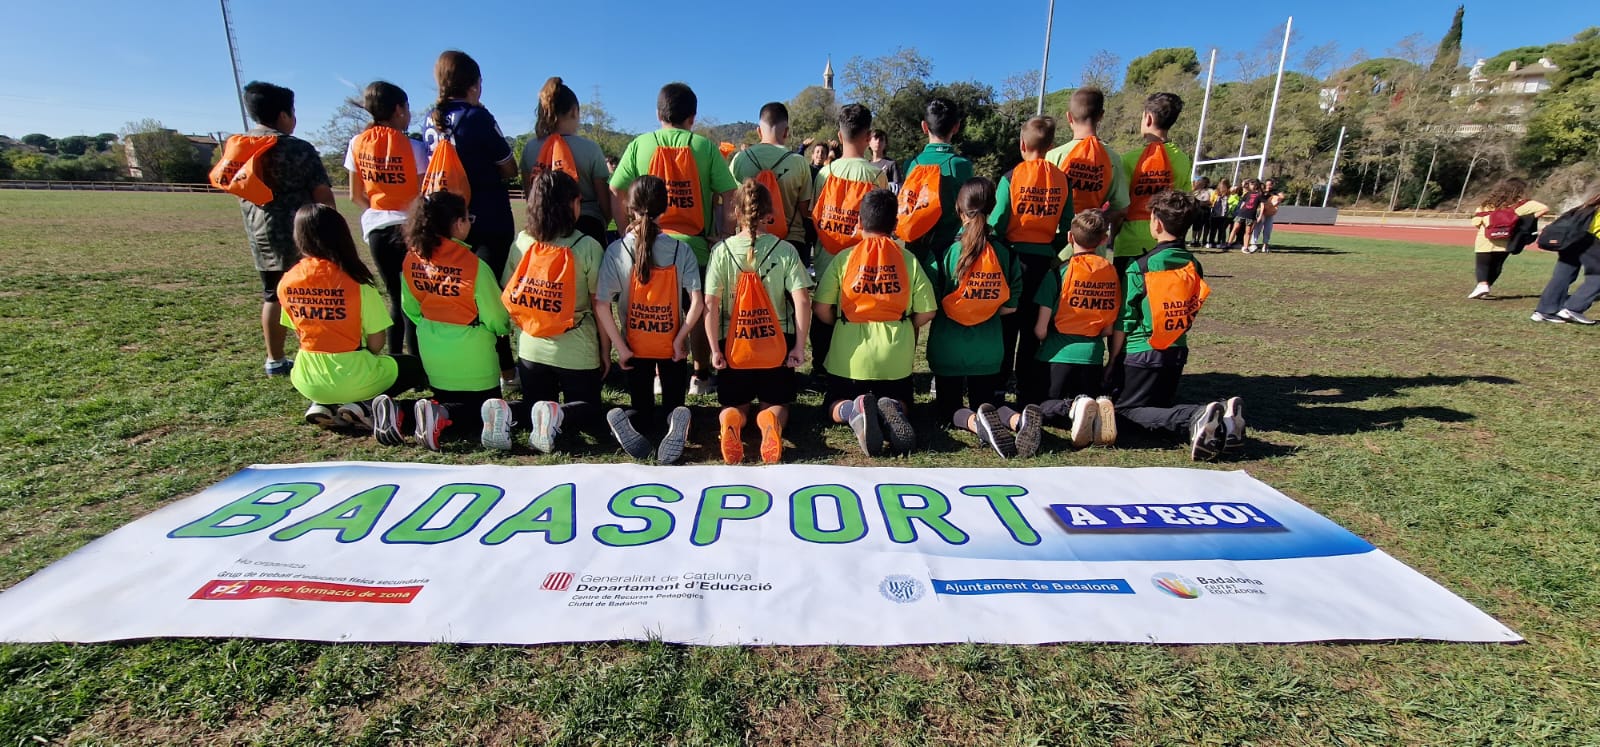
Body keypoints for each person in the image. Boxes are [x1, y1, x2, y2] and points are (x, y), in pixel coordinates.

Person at [609, 82, 739, 396]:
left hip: (646, 245)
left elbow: (616, 189)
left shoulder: (640, 144)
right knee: (698, 310)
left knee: (654, 311)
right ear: (692, 117)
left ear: (658, 114)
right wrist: (723, 233)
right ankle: (700, 375)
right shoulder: (705, 147)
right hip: (695, 246)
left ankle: (656, 373)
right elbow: (730, 193)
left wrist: (626, 228)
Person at [367, 191, 521, 451]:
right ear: (458, 224)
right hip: (474, 359)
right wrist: (502, 330)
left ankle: (401, 411)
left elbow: (410, 309)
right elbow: (497, 318)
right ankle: (440, 415)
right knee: (484, 413)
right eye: (468, 218)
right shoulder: (475, 266)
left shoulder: (412, 259)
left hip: (433, 353)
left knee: (443, 399)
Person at [1107, 190, 1245, 461]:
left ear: (1157, 223)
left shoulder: (1141, 266)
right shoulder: (1193, 264)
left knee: (1123, 414)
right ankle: (1225, 421)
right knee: (1157, 407)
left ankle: (1195, 415)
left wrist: (1112, 360)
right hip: (1176, 352)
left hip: (1142, 353)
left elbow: (1125, 319)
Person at [220, 81, 335, 377]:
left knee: (272, 294)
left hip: (261, 234)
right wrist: (332, 229)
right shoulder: (297, 148)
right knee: (312, 295)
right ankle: (317, 354)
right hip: (303, 234)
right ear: (284, 114)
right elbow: (322, 192)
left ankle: (275, 359)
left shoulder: (239, 148)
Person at [277, 204, 425, 431]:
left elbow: (298, 331)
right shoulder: (357, 282)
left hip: (308, 378)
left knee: (340, 380)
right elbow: (376, 342)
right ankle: (362, 405)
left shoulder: (287, 280)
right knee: (413, 367)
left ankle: (322, 403)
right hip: (355, 376)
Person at [422, 50, 520, 390]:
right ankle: (506, 370)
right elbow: (509, 167)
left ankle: (458, 362)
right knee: (489, 296)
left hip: (445, 221)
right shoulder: (477, 117)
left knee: (454, 295)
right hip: (487, 219)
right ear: (474, 84)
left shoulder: (430, 120)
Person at [813, 189, 937, 457]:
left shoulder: (844, 258)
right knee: (904, 401)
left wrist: (838, 325)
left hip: (849, 358)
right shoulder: (908, 260)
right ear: (895, 224)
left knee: (832, 403)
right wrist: (907, 325)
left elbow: (821, 307)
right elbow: (928, 311)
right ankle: (892, 406)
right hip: (894, 358)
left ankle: (852, 409)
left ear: (859, 221)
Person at [594, 176, 704, 463]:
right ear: (665, 209)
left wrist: (621, 348)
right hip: (672, 348)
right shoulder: (681, 250)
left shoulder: (617, 250)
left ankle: (629, 419)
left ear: (630, 208)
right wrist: (681, 339)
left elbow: (602, 304)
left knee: (642, 410)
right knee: (674, 406)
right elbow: (698, 303)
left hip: (635, 348)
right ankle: (675, 420)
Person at [704, 180, 814, 464]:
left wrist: (714, 350)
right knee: (777, 403)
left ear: (736, 212)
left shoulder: (722, 251)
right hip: (776, 343)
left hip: (734, 343)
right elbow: (802, 301)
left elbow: (711, 304)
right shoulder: (785, 250)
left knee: (735, 403)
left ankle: (732, 419)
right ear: (768, 213)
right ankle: (769, 422)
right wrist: (799, 347)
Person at [504, 171, 608, 454]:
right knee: (588, 412)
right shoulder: (587, 246)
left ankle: (506, 411)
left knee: (534, 407)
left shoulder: (522, 242)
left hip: (530, 350)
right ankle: (558, 414)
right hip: (576, 349)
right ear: (571, 204)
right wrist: (605, 350)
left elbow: (509, 292)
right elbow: (600, 305)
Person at [929, 178, 1024, 457]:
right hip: (989, 349)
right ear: (992, 208)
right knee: (989, 404)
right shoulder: (1005, 252)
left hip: (948, 347)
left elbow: (931, 301)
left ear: (959, 209)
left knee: (948, 409)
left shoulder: (945, 250)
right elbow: (1010, 307)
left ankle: (974, 423)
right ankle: (1018, 420)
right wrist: (984, 307)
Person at [990, 116, 1073, 405]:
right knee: (1033, 331)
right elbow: (1068, 226)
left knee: (1006, 327)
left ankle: (998, 387)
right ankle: (1027, 389)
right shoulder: (1062, 179)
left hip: (1013, 261)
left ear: (1022, 145)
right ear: (1051, 146)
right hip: (1043, 264)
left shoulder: (1011, 177)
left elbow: (998, 222)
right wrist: (1052, 251)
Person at [344, 81, 428, 358]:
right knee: (413, 299)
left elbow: (355, 195)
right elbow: (421, 194)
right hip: (410, 229)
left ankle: (395, 359)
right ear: (398, 109)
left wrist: (379, 209)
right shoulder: (414, 147)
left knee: (394, 297)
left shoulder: (357, 143)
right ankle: (415, 360)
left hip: (377, 229)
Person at [811, 104, 889, 387]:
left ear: (839, 135)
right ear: (868, 137)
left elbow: (815, 214)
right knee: (853, 318)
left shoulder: (825, 173)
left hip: (825, 258)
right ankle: (852, 368)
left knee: (823, 315)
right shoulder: (876, 175)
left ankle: (820, 368)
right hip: (859, 264)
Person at [1033, 209, 1120, 450]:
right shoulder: (1111, 273)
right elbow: (1108, 329)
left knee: (1038, 407)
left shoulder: (1058, 273)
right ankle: (1094, 408)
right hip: (1092, 358)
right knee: (1084, 400)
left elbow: (1040, 329)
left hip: (1057, 357)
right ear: (1103, 240)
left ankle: (1073, 407)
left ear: (1070, 237)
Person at [519, 77, 613, 246]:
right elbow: (605, 202)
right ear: (574, 111)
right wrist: (603, 222)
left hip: (544, 228)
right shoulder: (590, 149)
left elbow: (530, 196)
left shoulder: (530, 149)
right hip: (587, 226)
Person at [1111, 93, 1192, 273]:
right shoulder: (1182, 160)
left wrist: (1113, 236)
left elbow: (1121, 209)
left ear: (1148, 118)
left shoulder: (1129, 160)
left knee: (1128, 289)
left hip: (1130, 243)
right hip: (1167, 242)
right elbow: (1186, 205)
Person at [729, 102, 814, 266]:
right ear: (786, 132)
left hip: (749, 242)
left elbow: (731, 203)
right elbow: (805, 210)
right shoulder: (799, 162)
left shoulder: (740, 159)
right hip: (790, 243)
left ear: (759, 131)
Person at [900, 97, 974, 268]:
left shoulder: (911, 164)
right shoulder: (962, 166)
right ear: (956, 127)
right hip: (951, 252)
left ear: (924, 126)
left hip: (916, 252)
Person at [1046, 87, 1127, 244]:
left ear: (1069, 117)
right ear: (1101, 116)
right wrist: (1098, 218)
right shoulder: (1113, 158)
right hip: (1094, 243)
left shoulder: (1053, 156)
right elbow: (1121, 208)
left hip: (1058, 242)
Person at [1469, 178, 1549, 299]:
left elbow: (1476, 222)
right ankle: (1486, 287)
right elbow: (1544, 208)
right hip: (1507, 238)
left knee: (1482, 264)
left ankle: (1482, 285)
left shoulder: (1487, 204)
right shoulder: (1522, 204)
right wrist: (1526, 219)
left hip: (1486, 238)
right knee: (1497, 264)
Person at [1532, 194, 1600, 324]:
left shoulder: (1586, 207)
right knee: (1597, 275)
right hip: (1589, 241)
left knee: (1563, 275)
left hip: (1570, 241)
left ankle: (1544, 311)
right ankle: (1573, 308)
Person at [1230, 179, 1265, 252]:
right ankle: (1228, 243)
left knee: (1248, 232)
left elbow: (1262, 206)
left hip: (1250, 216)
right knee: (1235, 228)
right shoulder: (1247, 194)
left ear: (1256, 186)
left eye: (1251, 184)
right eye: (1249, 184)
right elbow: (1242, 204)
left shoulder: (1259, 195)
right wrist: (1239, 212)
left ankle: (1245, 247)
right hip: (1242, 214)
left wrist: (1260, 216)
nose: (1250, 186)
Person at [1251, 177, 1283, 252]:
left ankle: (1265, 245)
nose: (1268, 186)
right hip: (1262, 212)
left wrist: (1278, 200)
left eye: (1270, 185)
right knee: (1257, 228)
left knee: (1267, 229)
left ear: (1273, 185)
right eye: (1267, 184)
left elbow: (1282, 196)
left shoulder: (1275, 192)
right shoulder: (1262, 190)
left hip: (1269, 213)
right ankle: (1253, 244)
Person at [1205, 179, 1233, 249]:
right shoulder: (1215, 192)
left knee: (1222, 230)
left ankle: (1220, 242)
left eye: (1224, 185)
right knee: (1213, 229)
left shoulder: (1229, 194)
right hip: (1214, 215)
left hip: (1223, 216)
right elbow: (1211, 202)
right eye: (1221, 185)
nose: (1222, 187)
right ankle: (1211, 242)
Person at [1189, 177, 1214, 247]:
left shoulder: (1209, 191)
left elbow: (1211, 201)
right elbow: (1193, 199)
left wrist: (1204, 202)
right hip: (1197, 210)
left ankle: (1198, 240)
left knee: (1201, 226)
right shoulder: (1196, 191)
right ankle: (1193, 240)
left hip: (1205, 210)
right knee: (1195, 226)